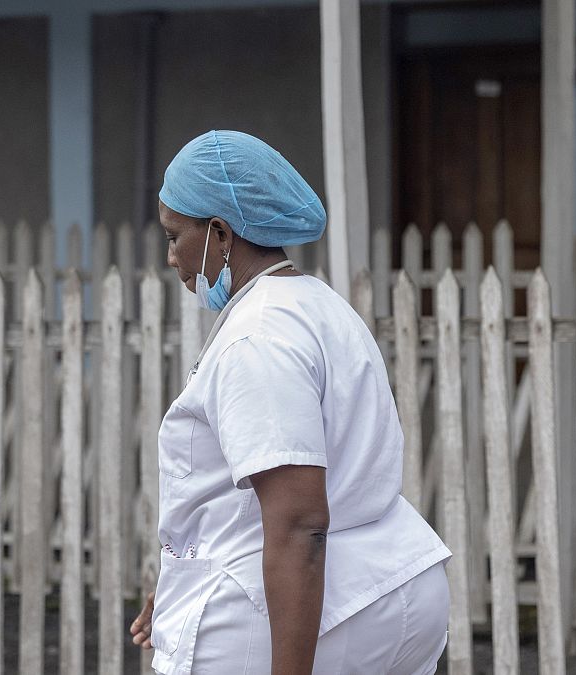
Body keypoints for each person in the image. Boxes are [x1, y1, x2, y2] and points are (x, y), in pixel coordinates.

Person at [129, 130, 451, 675]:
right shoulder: (320, 305)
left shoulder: (258, 338)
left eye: (173, 236)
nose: (170, 257)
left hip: (303, 616)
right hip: (394, 584)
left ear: (220, 233)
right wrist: (184, 575)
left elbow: (299, 519)